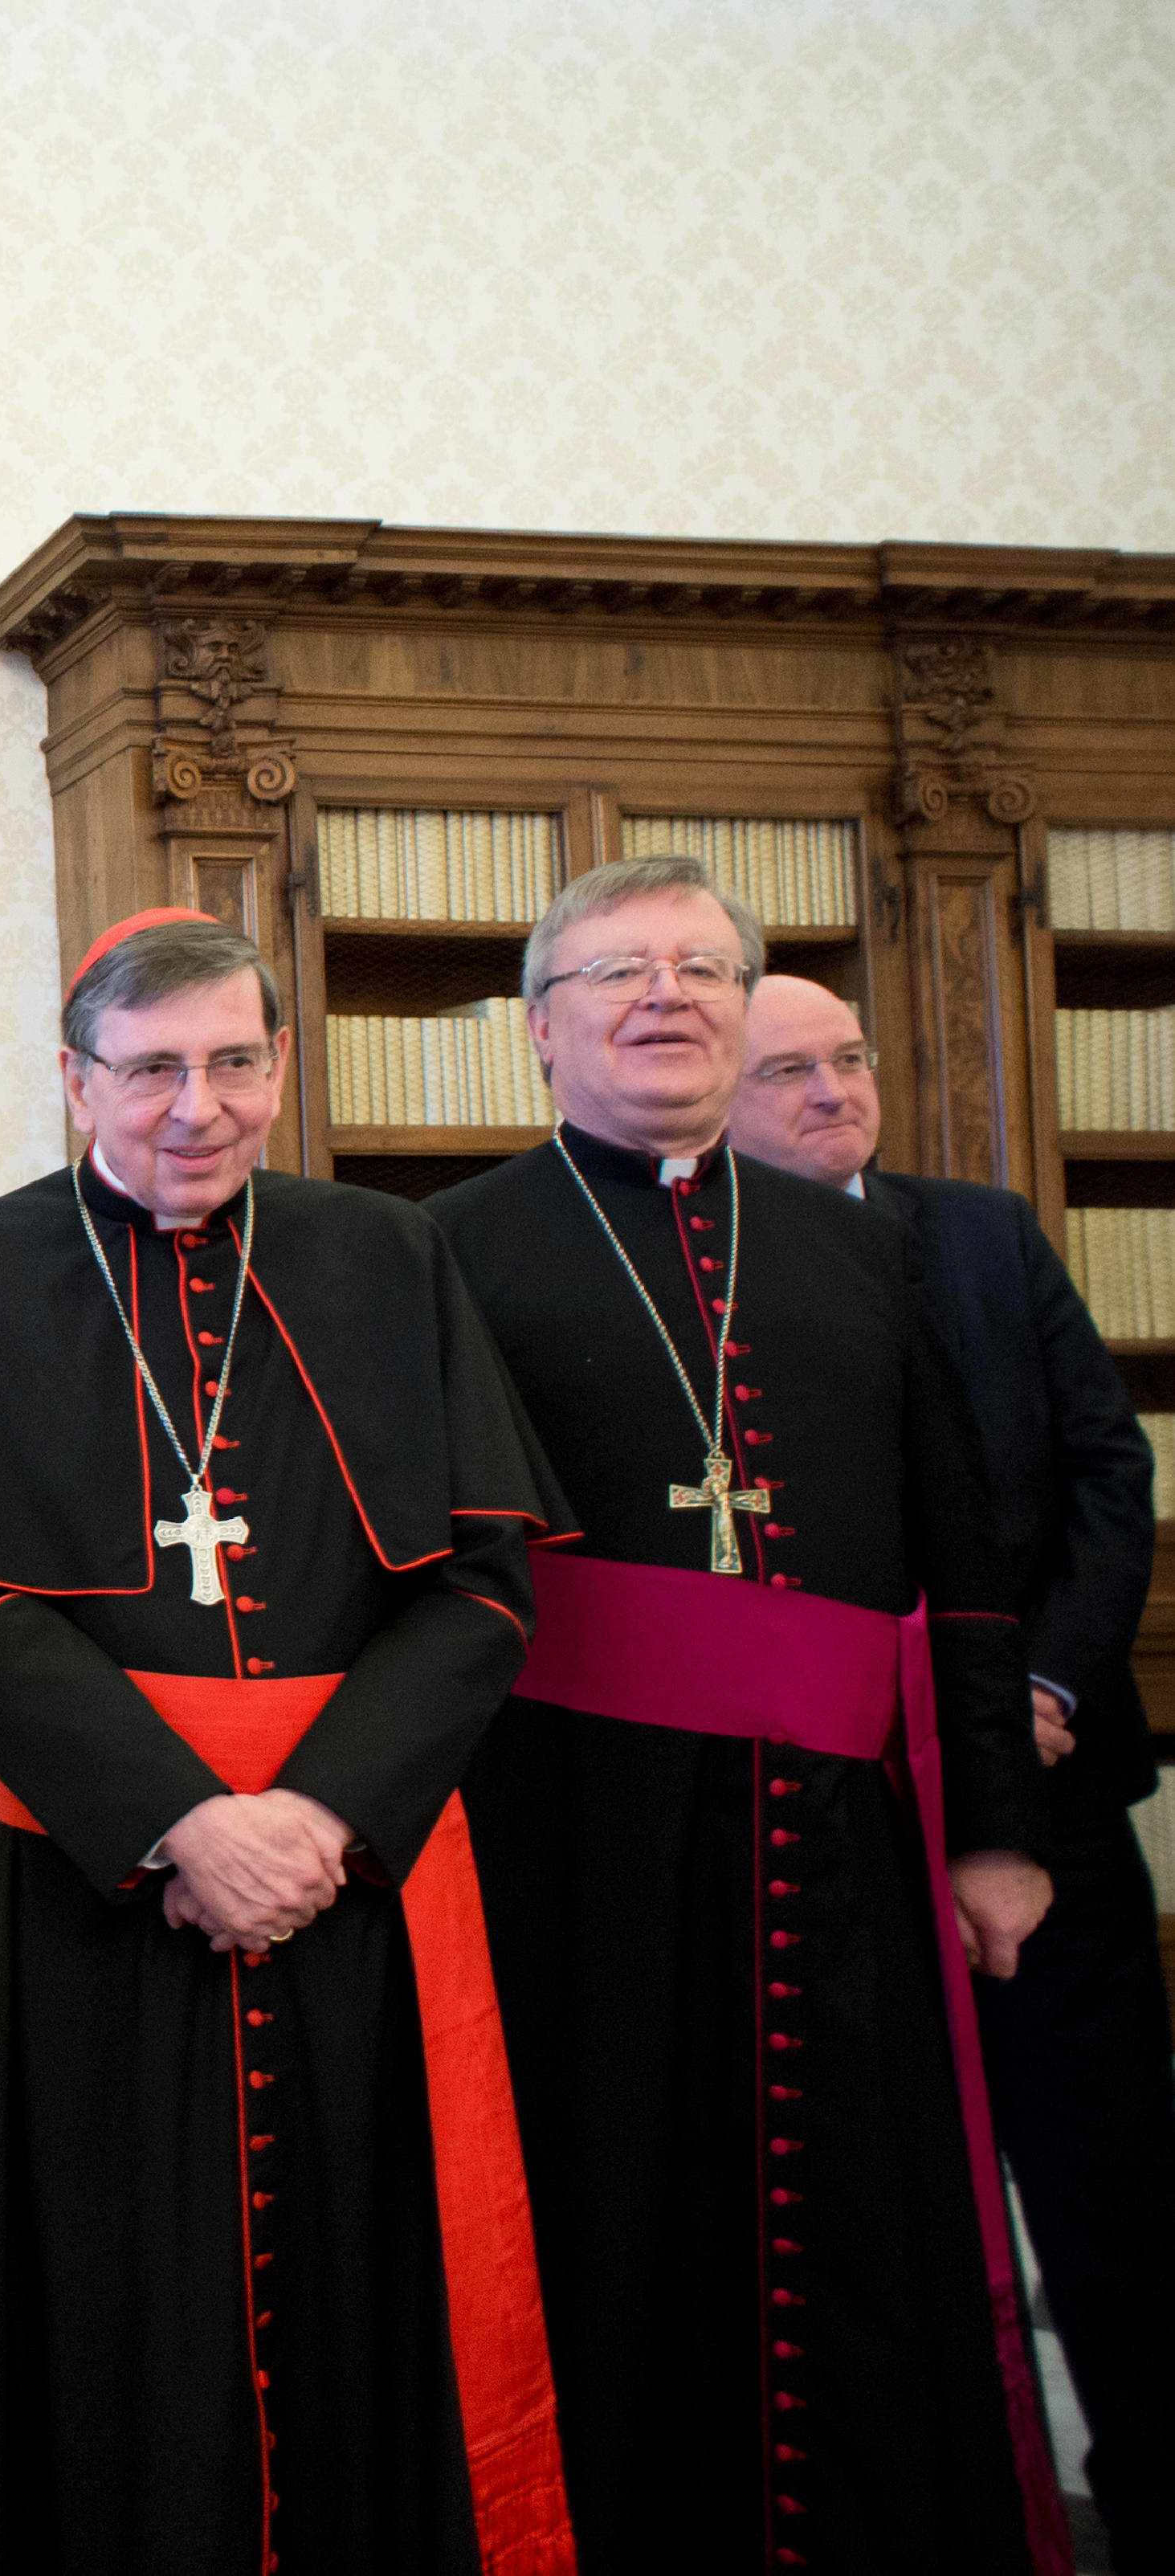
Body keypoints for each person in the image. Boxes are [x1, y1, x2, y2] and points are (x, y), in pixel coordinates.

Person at [0, 908, 577, 2576]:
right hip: (107, 1884)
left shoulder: (386, 1260)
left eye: (233, 1061)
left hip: (350, 1880)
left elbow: (479, 1587)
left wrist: (317, 1815)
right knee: (113, 2290)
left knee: (372, 2278)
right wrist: (183, 1824)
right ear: (75, 1077)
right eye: (150, 1068)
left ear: (277, 1063)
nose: (196, 1106)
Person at [426, 858, 1066, 2573]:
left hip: (839, 1844)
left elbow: (965, 1557)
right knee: (609, 2215)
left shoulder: (859, 1253)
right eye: (616, 970)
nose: (663, 995)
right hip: (564, 1838)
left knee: (856, 2221)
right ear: (537, 1027)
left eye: (700, 966)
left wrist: (994, 1829)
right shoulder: (441, 1251)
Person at [728, 971, 1174, 2569]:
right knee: (863, 2180)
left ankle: (1152, 2495)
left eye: (845, 1057)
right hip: (823, 1803)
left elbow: (1101, 1475)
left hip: (1042, 1787)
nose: (829, 1090)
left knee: (1107, 2174)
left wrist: (1029, 1685)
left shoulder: (979, 1233)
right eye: (784, 1070)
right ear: (711, 1091)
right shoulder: (688, 1281)